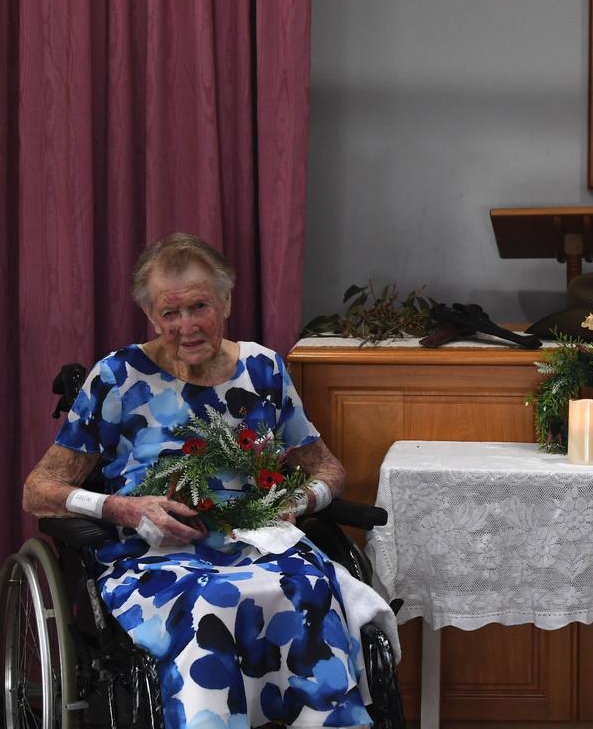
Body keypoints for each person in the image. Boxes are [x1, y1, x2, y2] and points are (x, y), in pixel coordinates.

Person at [23, 233, 371, 729]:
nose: (186, 326)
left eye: (199, 306)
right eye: (170, 313)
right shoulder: (118, 377)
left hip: (259, 540)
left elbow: (327, 468)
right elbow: (38, 489)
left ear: (226, 302)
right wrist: (124, 508)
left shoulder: (263, 369)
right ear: (151, 317)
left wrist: (301, 498)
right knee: (210, 602)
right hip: (155, 554)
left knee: (307, 585)